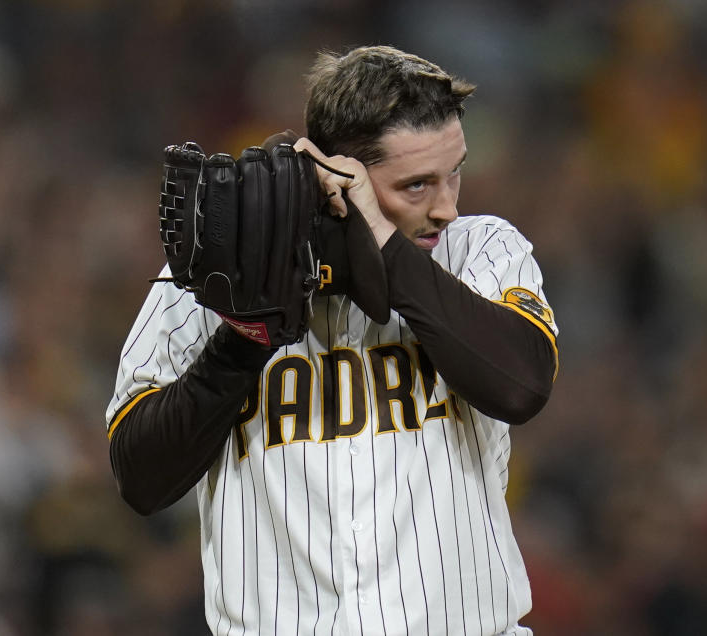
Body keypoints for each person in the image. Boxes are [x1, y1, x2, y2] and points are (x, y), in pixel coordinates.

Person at [106, 45, 559, 636]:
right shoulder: (210, 277)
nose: (447, 207)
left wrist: (382, 243)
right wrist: (242, 337)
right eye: (417, 185)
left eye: (455, 174)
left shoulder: (482, 251)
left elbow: (521, 385)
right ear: (338, 172)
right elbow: (140, 476)